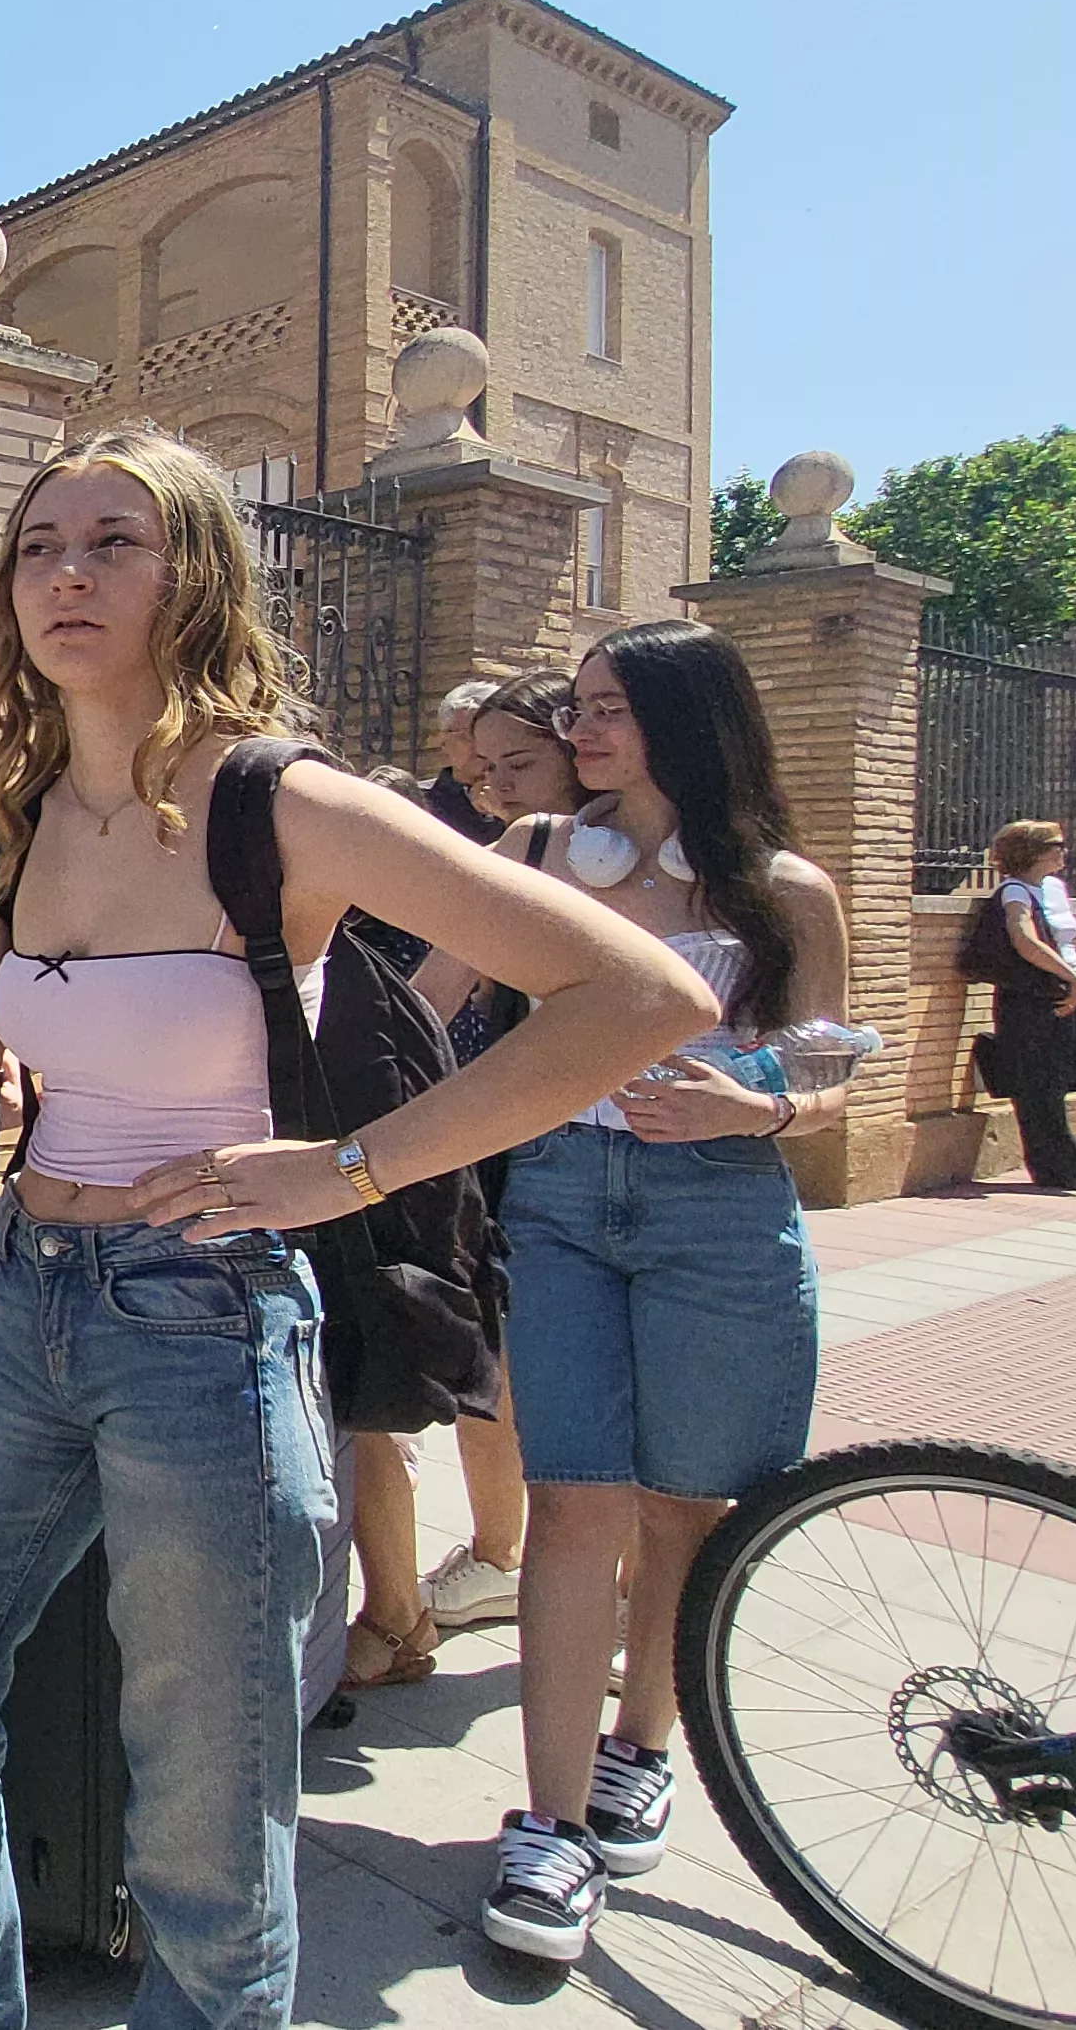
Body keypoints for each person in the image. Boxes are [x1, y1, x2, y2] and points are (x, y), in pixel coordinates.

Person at [0, 430, 713, 2030]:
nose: (66, 574)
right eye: (39, 546)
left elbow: (642, 995)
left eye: (115, 543)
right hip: (24, 1307)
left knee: (205, 1830)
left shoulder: (277, 803)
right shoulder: (8, 820)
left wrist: (351, 1167)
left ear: (194, 573)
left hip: (203, 1330)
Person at [479, 620, 860, 1962]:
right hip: (561, 1198)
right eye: (578, 705)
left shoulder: (784, 888)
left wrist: (746, 1100)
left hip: (721, 1213)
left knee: (687, 1505)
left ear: (691, 722)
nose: (582, 730)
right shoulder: (533, 855)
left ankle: (645, 1741)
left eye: (612, 709)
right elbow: (423, 987)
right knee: (571, 1499)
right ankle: (552, 1822)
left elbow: (828, 1077)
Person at [409, 668, 589, 1635]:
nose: (499, 790)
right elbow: (442, 995)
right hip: (499, 1139)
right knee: (492, 1364)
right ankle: (496, 1553)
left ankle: (620, 1595)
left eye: (518, 765)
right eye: (483, 775)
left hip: (587, 1142)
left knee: (576, 1382)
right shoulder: (518, 850)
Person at [980, 820, 1076, 1194]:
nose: (1063, 851)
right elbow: (1023, 938)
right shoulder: (1015, 891)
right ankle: (1065, 1167)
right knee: (1040, 1086)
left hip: (1067, 989)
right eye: (1055, 844)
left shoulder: (1055, 888)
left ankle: (1005, 1069)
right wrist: (1071, 979)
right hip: (1033, 996)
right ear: (1033, 851)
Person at [424, 676, 507, 846]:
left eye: (491, 733)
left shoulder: (528, 799)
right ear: (443, 740)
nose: (481, 743)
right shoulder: (419, 800)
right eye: (469, 734)